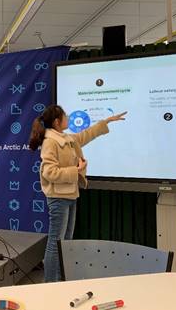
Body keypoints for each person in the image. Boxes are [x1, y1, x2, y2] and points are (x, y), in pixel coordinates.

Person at [29, 105, 126, 282]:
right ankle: (50, 283)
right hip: (58, 198)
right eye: (65, 115)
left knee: (65, 242)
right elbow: (49, 172)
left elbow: (85, 135)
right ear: (57, 122)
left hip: (70, 195)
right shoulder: (51, 142)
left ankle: (60, 280)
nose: (68, 117)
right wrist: (76, 170)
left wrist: (105, 122)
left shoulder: (65, 138)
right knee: (55, 242)